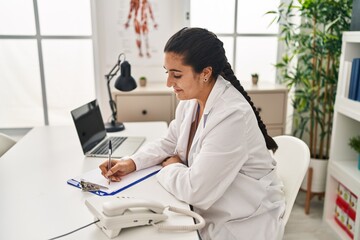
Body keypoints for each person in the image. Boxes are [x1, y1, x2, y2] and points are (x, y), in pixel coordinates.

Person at [100, 27, 285, 240]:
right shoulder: (192, 100)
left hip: (242, 218)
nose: (169, 83)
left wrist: (171, 166)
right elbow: (169, 142)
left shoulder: (232, 115)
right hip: (211, 205)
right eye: (167, 72)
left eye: (176, 74)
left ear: (205, 73)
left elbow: (196, 190)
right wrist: (131, 162)